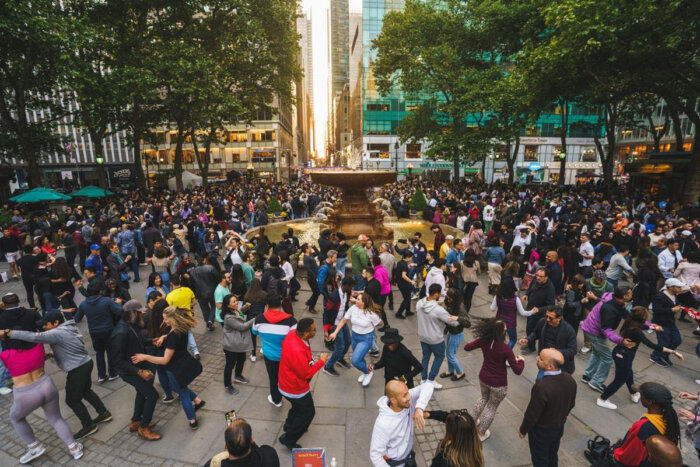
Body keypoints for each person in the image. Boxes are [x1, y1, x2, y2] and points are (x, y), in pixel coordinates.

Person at [1, 311, 112, 440]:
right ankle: (104, 413)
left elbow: (35, 337)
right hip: (85, 363)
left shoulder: (56, 333)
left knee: (72, 400)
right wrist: (52, 355)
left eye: (46, 325)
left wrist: (9, 333)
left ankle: (89, 426)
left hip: (77, 369)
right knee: (86, 391)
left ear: (56, 323)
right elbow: (71, 346)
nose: (44, 327)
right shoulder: (68, 327)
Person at [0, 299, 85, 463]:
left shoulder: (6, 355)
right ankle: (74, 448)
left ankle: (34, 447)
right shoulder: (38, 348)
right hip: (46, 385)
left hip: (25, 392)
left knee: (16, 418)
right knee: (56, 418)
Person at [597, 307, 683, 410]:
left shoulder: (630, 323)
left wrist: (653, 327)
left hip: (620, 353)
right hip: (624, 355)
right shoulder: (637, 331)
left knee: (628, 373)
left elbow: (644, 326)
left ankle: (633, 393)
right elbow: (651, 345)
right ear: (642, 318)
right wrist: (673, 351)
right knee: (619, 380)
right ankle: (602, 399)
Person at [464, 318, 524, 441]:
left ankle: (472, 422)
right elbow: (517, 370)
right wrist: (521, 361)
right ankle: (481, 433)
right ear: (501, 332)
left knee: (482, 398)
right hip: (499, 383)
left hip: (484, 377)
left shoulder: (484, 341)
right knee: (491, 407)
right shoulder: (506, 349)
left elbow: (467, 347)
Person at [109, 303, 162, 440]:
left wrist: (152, 341)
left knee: (142, 391)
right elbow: (117, 360)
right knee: (152, 395)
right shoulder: (120, 332)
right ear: (132, 313)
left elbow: (138, 340)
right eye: (140, 312)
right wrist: (139, 372)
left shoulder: (131, 325)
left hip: (138, 366)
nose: (143, 314)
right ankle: (143, 428)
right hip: (130, 371)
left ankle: (136, 420)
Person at [518, 348, 577, 467]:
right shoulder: (569, 379)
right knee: (552, 454)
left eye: (540, 358)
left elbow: (532, 414)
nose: (537, 359)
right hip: (558, 428)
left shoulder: (541, 387)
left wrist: (523, 429)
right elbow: (571, 403)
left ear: (550, 366)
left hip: (541, 432)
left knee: (540, 458)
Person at [277, 318, 328, 450]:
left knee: (297, 408)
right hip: (295, 389)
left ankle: (289, 425)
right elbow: (306, 374)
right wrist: (321, 362)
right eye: (313, 330)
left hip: (286, 383)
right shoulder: (297, 351)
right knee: (308, 412)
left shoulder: (293, 334)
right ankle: (289, 438)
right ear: (305, 333)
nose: (316, 332)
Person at [613, 382, 681, 466]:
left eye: (642, 394)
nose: (640, 396)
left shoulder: (644, 426)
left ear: (649, 401)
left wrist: (614, 453)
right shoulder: (668, 418)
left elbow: (629, 456)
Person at [369, 379, 434, 467]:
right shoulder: (383, 424)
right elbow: (375, 455)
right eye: (404, 395)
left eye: (407, 392)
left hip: (409, 458)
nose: (409, 397)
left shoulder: (407, 400)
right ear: (393, 400)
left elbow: (428, 386)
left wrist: (419, 408)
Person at [252, 292, 297, 408]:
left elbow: (254, 332)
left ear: (267, 304)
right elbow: (296, 339)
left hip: (270, 356)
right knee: (286, 377)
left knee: (273, 378)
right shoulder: (291, 321)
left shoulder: (258, 319)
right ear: (281, 303)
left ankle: (276, 400)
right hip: (286, 357)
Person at [328, 292, 383, 386]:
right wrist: (335, 332)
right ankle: (364, 372)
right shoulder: (353, 308)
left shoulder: (371, 313)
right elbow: (344, 320)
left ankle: (368, 372)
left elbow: (379, 323)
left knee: (355, 360)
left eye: (358, 299)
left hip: (366, 338)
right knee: (360, 357)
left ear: (364, 303)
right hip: (354, 336)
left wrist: (371, 327)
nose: (355, 300)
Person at [74, 282, 123, 382]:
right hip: (108, 329)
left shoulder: (83, 304)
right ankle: (112, 373)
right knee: (110, 351)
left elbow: (77, 318)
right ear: (100, 291)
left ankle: (101, 375)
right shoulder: (106, 301)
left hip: (94, 331)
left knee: (99, 352)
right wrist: (118, 303)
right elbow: (118, 311)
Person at [416, 283, 460, 389]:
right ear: (436, 294)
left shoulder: (419, 303)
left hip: (423, 336)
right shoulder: (438, 310)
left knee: (425, 357)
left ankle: (423, 379)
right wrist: (459, 318)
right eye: (440, 293)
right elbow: (453, 322)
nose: (441, 295)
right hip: (435, 339)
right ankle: (431, 380)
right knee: (439, 357)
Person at [519, 306, 577, 380]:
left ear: (559, 318)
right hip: (545, 362)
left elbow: (573, 350)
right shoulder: (542, 322)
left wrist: (556, 352)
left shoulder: (569, 330)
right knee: (540, 380)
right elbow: (536, 333)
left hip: (560, 367)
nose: (547, 319)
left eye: (551, 318)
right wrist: (528, 339)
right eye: (546, 316)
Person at [204, 419, 280, 467]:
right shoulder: (269, 454)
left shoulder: (213, 464)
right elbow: (258, 451)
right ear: (251, 440)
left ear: (225, 446)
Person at [221, 294, 255, 395]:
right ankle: (228, 385)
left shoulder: (234, 310)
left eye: (236, 301)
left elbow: (239, 314)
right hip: (232, 345)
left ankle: (238, 376)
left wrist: (245, 307)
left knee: (242, 359)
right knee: (230, 365)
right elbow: (242, 326)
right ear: (228, 305)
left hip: (239, 343)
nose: (236, 303)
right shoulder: (228, 317)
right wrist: (255, 319)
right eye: (233, 302)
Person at [649, 278, 684, 367]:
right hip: (660, 323)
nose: (680, 289)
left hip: (670, 322)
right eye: (678, 287)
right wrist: (671, 310)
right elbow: (656, 310)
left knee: (677, 340)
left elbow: (675, 303)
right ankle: (655, 356)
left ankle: (664, 354)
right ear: (670, 287)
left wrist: (680, 306)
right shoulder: (660, 296)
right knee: (664, 342)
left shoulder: (674, 295)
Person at [492, 277, 534, 348]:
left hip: (499, 321)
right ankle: (506, 353)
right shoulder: (516, 300)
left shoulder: (497, 297)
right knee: (513, 339)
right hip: (510, 323)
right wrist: (532, 311)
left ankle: (498, 352)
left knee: (499, 339)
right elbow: (523, 313)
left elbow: (492, 308)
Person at [439, 288, 470, 382]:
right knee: (449, 353)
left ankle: (460, 372)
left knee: (450, 354)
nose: (448, 300)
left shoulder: (460, 306)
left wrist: (457, 318)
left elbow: (467, 322)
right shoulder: (449, 301)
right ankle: (450, 370)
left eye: (450, 298)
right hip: (450, 331)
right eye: (447, 297)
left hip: (457, 334)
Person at [522, 268, 556, 343]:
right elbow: (530, 287)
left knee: (536, 331)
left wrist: (539, 309)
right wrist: (527, 294)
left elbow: (551, 305)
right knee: (529, 329)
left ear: (546, 277)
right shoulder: (536, 280)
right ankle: (529, 343)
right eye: (537, 275)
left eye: (541, 276)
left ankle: (531, 347)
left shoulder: (550, 289)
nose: (538, 277)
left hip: (539, 315)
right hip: (530, 309)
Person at [190, 255, 220, 331]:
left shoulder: (192, 272)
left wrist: (195, 293)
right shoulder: (211, 268)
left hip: (200, 294)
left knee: (204, 309)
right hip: (212, 291)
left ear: (196, 261)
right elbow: (217, 278)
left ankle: (208, 323)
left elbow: (191, 284)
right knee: (214, 306)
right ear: (204, 260)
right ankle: (210, 320)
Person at [243, 278, 267, 362]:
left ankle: (253, 355)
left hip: (250, 319)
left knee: (252, 337)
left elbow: (244, 310)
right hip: (261, 318)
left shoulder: (247, 295)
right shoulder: (264, 294)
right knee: (263, 335)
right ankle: (263, 349)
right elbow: (267, 306)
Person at [395, 250, 417, 319]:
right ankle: (399, 313)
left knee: (408, 297)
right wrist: (411, 281)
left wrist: (409, 267)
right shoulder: (404, 265)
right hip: (403, 284)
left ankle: (408, 311)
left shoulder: (400, 262)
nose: (411, 259)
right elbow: (404, 276)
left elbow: (401, 270)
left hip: (399, 283)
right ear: (407, 257)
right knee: (406, 299)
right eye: (411, 258)